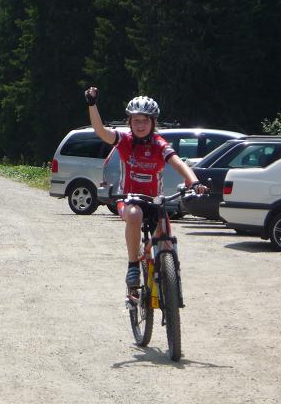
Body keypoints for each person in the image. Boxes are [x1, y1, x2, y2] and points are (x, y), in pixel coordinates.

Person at [84, 86, 206, 289]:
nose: (140, 125)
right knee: (134, 214)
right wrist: (92, 104)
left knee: (165, 239)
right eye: (136, 120)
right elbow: (100, 131)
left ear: (153, 122)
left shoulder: (159, 144)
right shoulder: (124, 140)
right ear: (129, 122)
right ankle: (133, 265)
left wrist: (194, 182)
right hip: (129, 199)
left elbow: (177, 162)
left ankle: (170, 286)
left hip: (155, 201)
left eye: (145, 121)